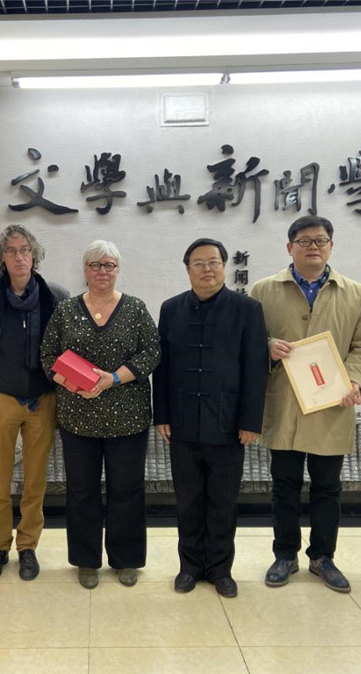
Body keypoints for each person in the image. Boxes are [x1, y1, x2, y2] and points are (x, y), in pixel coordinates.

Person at [250, 215, 361, 594]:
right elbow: (246, 340)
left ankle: (323, 557)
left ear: (331, 247)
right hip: (285, 404)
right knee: (284, 485)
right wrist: (266, 347)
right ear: (289, 247)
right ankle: (285, 555)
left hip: (331, 404)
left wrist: (353, 380)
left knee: (327, 487)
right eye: (304, 241)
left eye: (320, 241)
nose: (313, 247)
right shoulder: (263, 290)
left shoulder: (354, 293)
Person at [41, 240, 160, 590]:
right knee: (81, 491)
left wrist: (112, 379)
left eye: (109, 265)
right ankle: (86, 560)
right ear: (85, 270)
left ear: (117, 269)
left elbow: (152, 352)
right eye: (95, 265)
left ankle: (126, 558)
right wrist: (74, 384)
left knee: (128, 490)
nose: (102, 271)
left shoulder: (135, 309)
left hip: (128, 419)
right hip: (78, 419)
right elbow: (48, 356)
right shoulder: (65, 310)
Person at [153, 238, 269, 598]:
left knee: (223, 502)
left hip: (229, 423)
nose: (207, 269)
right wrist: (162, 414)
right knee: (188, 501)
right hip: (182, 422)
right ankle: (189, 567)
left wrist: (250, 421)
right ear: (188, 269)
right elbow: (162, 366)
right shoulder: (171, 309)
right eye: (199, 263)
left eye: (214, 262)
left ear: (224, 267)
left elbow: (256, 367)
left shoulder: (247, 309)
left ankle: (220, 569)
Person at [0, 225, 68, 582]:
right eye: (11, 251)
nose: (19, 256)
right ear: (1, 257)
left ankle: (28, 547)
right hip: (0, 398)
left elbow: (68, 351)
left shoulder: (55, 295)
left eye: (24, 250)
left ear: (34, 255)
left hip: (44, 399)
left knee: (36, 481)